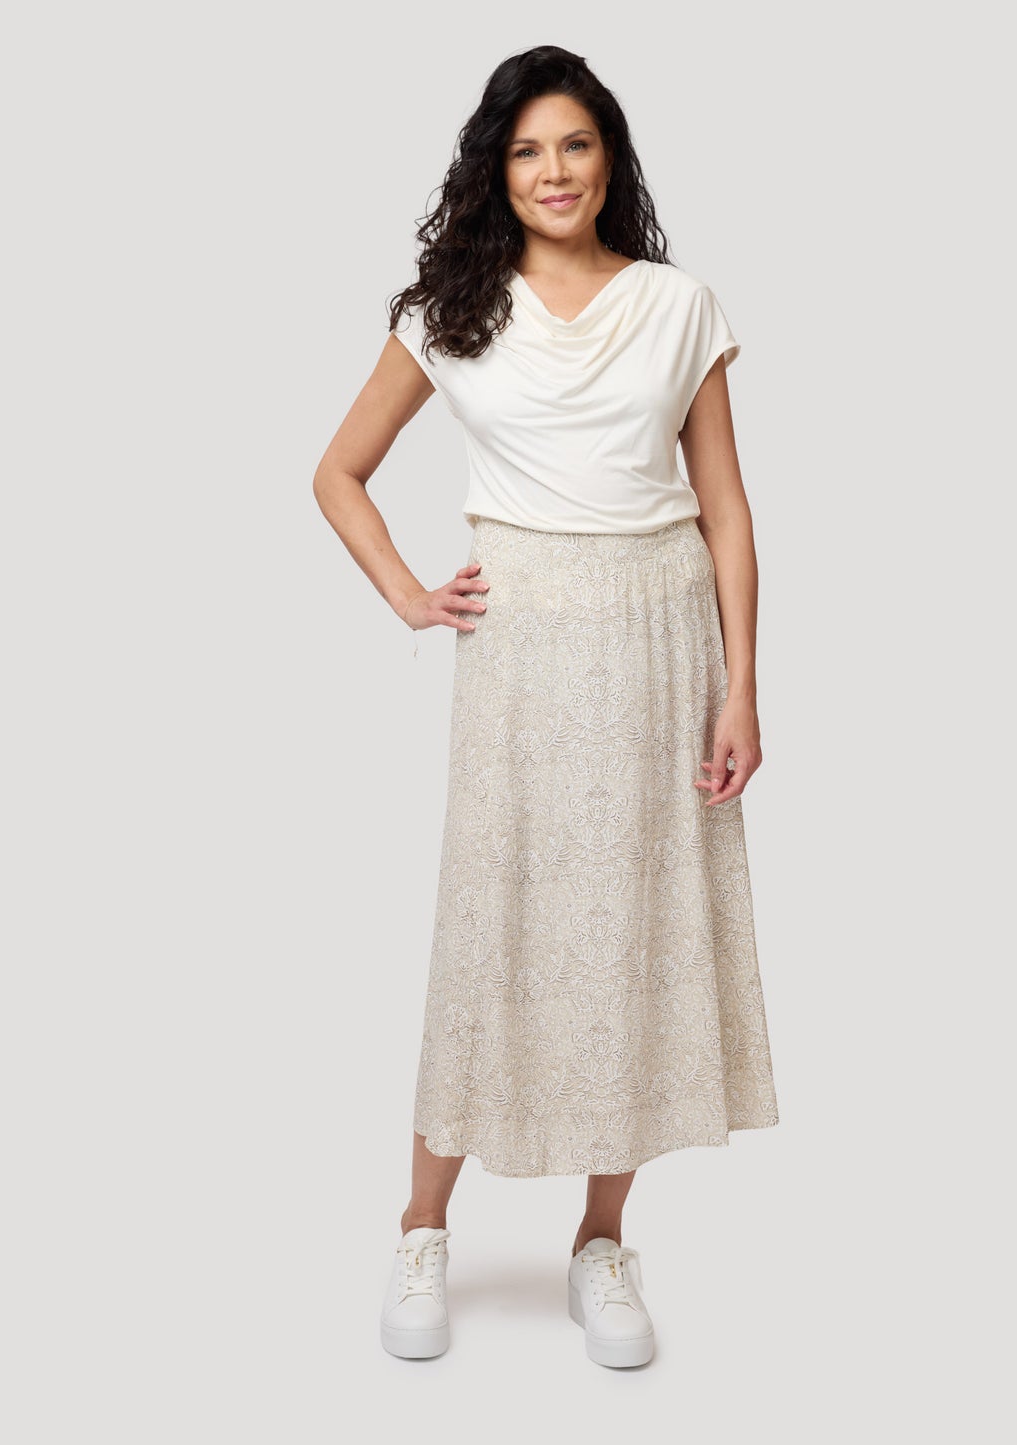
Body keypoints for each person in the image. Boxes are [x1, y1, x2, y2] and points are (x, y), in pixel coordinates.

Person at [312, 45, 779, 1368]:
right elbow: (338, 471)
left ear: (609, 158)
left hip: (659, 640)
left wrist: (743, 684)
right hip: (521, 648)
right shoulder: (450, 310)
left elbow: (727, 506)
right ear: (495, 171)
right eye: (527, 151)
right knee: (493, 925)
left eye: (575, 145)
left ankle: (600, 1239)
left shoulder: (679, 305)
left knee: (633, 929)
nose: (554, 171)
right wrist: (409, 594)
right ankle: (421, 1226)